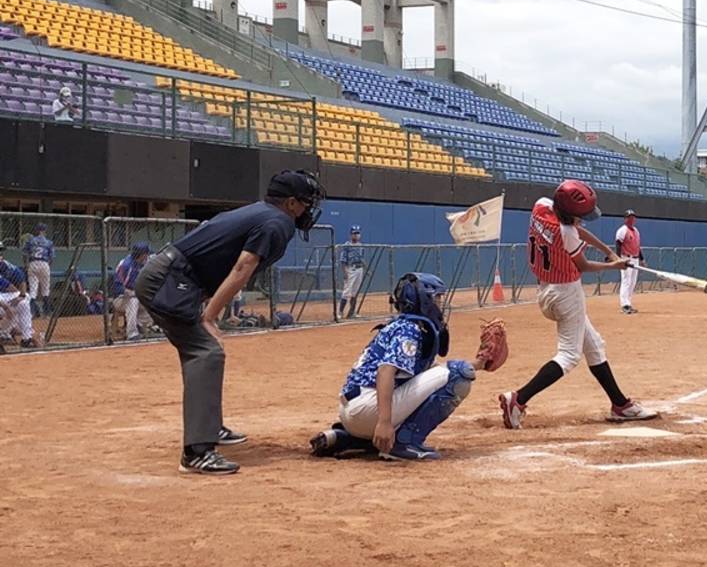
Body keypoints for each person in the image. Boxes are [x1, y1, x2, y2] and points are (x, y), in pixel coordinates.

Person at [134, 169, 325, 475]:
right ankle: (197, 452)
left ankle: (208, 427)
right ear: (291, 203)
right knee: (206, 351)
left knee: (199, 352)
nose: (307, 209)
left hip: (176, 279)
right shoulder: (277, 222)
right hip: (169, 279)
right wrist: (209, 316)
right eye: (305, 202)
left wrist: (207, 307)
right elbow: (242, 266)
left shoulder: (263, 214)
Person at [499, 179, 658, 429]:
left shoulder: (541, 206)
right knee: (569, 355)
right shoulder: (567, 232)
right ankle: (518, 399)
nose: (582, 220)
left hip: (546, 290)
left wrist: (608, 251)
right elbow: (583, 266)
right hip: (566, 295)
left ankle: (620, 404)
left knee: (594, 346)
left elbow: (578, 229)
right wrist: (613, 265)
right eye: (580, 215)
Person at [309, 273, 497, 461]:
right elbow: (385, 372)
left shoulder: (405, 326)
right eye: (436, 297)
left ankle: (349, 439)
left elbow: (431, 373)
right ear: (422, 300)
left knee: (455, 372)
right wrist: (384, 422)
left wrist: (479, 364)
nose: (440, 303)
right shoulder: (410, 329)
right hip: (368, 408)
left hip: (355, 411)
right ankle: (404, 443)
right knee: (459, 375)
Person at [0, 240, 41, 348]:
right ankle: (5, 334)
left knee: (23, 302)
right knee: (14, 307)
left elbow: (17, 280)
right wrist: (6, 306)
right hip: (1, 302)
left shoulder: (5, 265)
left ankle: (26, 338)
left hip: (2, 300)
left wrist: (20, 296)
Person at [112, 242, 154, 340]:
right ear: (141, 255)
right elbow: (116, 286)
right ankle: (132, 334)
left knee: (154, 300)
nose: (147, 256)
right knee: (133, 301)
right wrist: (129, 292)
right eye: (146, 254)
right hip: (120, 299)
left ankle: (139, 324)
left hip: (137, 295)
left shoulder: (145, 263)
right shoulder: (126, 265)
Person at [614, 209, 645, 314]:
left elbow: (638, 246)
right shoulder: (622, 230)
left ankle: (629, 303)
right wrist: (618, 259)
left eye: (633, 217)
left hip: (635, 258)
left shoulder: (636, 231)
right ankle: (624, 304)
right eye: (629, 217)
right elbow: (618, 244)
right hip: (626, 258)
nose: (631, 219)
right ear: (625, 219)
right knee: (626, 281)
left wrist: (642, 259)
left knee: (632, 282)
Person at [22, 223, 54, 318]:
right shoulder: (49, 242)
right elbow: (51, 257)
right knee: (45, 290)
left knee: (33, 290)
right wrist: (48, 265)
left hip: (33, 263)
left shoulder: (31, 241)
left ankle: (31, 313)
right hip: (44, 263)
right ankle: (47, 314)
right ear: (44, 231)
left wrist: (26, 265)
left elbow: (24, 253)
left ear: (37, 230)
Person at [338, 225, 365, 318]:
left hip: (359, 269)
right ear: (351, 235)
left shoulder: (361, 246)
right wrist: (345, 272)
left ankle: (352, 312)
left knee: (355, 292)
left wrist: (366, 268)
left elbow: (362, 259)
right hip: (351, 269)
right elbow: (343, 260)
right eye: (354, 233)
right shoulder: (347, 245)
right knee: (346, 291)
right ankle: (340, 312)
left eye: (358, 233)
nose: (356, 235)